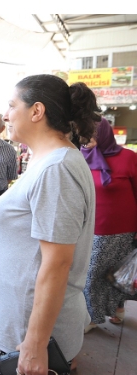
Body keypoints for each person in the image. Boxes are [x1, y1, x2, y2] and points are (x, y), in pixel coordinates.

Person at [0, 74, 100, 375]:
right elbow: (38, 217)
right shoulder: (48, 161)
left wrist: (34, 344)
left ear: (37, 111)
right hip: (28, 327)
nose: (7, 115)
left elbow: (57, 262)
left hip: (34, 332)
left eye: (13, 106)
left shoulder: (57, 168)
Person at [82, 118, 137, 332]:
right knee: (96, 275)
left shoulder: (128, 158)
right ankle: (105, 312)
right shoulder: (81, 157)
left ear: (104, 133)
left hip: (122, 229)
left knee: (113, 273)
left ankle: (103, 313)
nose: (87, 140)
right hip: (91, 228)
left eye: (92, 134)